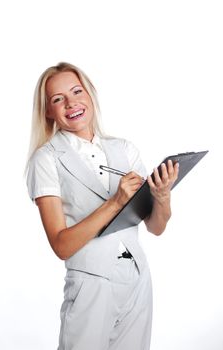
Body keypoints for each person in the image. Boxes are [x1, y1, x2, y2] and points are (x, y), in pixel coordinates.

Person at [25, 62, 179, 350]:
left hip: (137, 278)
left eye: (76, 91)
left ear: (90, 94)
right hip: (91, 285)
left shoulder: (124, 149)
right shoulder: (45, 159)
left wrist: (162, 196)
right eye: (58, 99)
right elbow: (61, 245)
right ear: (48, 111)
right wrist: (116, 202)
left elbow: (155, 227)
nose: (71, 103)